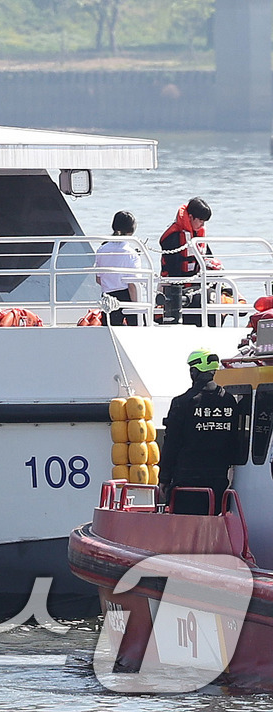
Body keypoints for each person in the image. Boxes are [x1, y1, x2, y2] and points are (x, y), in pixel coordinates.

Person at [159, 349, 243, 515]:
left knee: (186, 532)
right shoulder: (229, 401)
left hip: (187, 483)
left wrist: (164, 478)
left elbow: (171, 444)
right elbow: (234, 440)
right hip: (219, 482)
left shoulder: (182, 403)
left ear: (194, 372)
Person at [159, 197, 215, 325]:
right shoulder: (173, 236)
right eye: (201, 220)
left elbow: (208, 257)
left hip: (196, 284)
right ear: (190, 217)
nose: (203, 225)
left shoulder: (197, 235)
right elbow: (174, 270)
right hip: (174, 286)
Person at [95, 211, 141, 326]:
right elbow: (132, 285)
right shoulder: (131, 254)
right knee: (135, 329)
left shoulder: (102, 249)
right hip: (126, 296)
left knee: (109, 329)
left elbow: (98, 279)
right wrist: (137, 306)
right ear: (131, 231)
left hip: (107, 297)